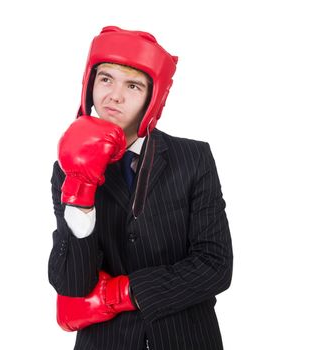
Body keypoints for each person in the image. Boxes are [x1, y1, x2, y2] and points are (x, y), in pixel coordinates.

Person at [49, 26, 233, 350]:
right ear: (89, 83)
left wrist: (124, 292)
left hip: (186, 340)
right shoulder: (66, 168)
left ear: (153, 97)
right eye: (106, 79)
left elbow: (215, 267)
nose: (114, 95)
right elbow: (72, 284)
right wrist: (80, 191)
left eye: (132, 85)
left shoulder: (193, 158)